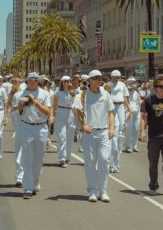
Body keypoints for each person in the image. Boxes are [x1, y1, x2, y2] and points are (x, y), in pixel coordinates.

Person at [73, 70, 115, 202]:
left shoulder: (105, 94)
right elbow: (76, 110)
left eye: (100, 78)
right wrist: (83, 124)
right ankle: (92, 190)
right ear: (89, 80)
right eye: (96, 78)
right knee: (90, 161)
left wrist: (112, 128)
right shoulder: (83, 95)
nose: (98, 80)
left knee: (104, 159)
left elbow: (110, 112)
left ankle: (103, 190)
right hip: (89, 132)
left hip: (103, 131)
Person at [13, 72, 51, 198]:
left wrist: (35, 102)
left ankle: (35, 182)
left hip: (40, 128)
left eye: (34, 80)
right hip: (26, 126)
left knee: (38, 159)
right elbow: (19, 112)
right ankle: (28, 187)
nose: (31, 82)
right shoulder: (20, 94)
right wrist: (20, 105)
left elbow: (47, 112)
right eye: (29, 80)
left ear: (37, 81)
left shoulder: (45, 94)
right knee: (27, 158)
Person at [106, 70, 130, 174]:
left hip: (120, 106)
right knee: (113, 128)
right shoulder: (107, 85)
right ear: (111, 77)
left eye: (118, 77)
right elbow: (104, 97)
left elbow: (125, 97)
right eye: (114, 76)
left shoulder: (122, 85)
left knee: (121, 126)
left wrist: (129, 107)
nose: (116, 78)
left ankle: (120, 136)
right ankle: (112, 163)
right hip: (111, 106)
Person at [51, 76, 75, 167]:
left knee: (69, 137)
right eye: (65, 81)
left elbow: (75, 104)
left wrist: (72, 91)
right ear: (61, 83)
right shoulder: (57, 93)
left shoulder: (73, 92)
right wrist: (52, 116)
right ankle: (62, 159)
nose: (66, 83)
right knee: (62, 137)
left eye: (68, 81)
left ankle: (67, 157)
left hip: (70, 114)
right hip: (60, 113)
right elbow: (54, 105)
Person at [125, 79, 142, 153]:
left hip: (137, 112)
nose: (133, 84)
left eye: (133, 82)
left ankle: (135, 145)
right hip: (129, 112)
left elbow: (139, 100)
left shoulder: (137, 92)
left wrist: (141, 102)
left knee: (136, 128)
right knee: (129, 129)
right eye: (131, 82)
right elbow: (125, 101)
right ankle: (128, 146)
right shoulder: (126, 92)